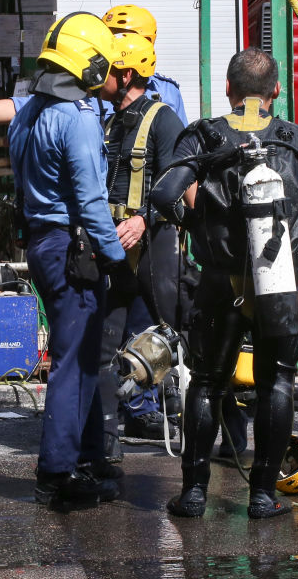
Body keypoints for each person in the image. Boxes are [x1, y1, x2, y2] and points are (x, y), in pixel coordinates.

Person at [151, 47, 298, 519]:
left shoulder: (204, 136)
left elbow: (164, 193)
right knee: (278, 383)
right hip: (282, 284)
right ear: (276, 91)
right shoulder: (297, 138)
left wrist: (194, 226)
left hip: (219, 281)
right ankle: (262, 496)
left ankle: (194, 495)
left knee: (208, 382)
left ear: (229, 89)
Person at [8, 12, 136, 509]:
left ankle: (84, 458)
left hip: (43, 244)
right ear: (92, 64)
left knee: (77, 359)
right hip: (73, 249)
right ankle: (56, 474)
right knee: (73, 364)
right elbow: (90, 204)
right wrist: (117, 263)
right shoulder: (77, 117)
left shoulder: (29, 111)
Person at [95, 32, 184, 458]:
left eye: (107, 71)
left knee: (159, 331)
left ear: (125, 74)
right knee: (109, 334)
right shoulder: (109, 121)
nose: (99, 78)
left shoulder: (165, 120)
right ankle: (113, 419)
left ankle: (166, 412)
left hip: (153, 240)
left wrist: (142, 218)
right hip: (112, 243)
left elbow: (173, 184)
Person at [102, 4, 188, 125]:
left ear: (147, 42)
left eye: (122, 36)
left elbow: (180, 140)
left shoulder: (168, 90)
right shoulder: (96, 90)